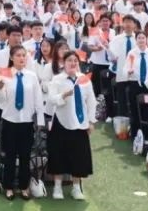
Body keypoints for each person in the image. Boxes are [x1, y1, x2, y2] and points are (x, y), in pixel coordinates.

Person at [0, 46, 45, 200]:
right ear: (11, 58)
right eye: (18, 55)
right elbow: (1, 103)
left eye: (24, 55)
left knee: (25, 156)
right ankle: (8, 187)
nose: (22, 58)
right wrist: (0, 88)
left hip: (26, 122)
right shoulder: (5, 75)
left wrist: (40, 121)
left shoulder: (32, 76)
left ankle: (24, 187)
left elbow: (38, 99)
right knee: (10, 156)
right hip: (10, 121)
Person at [46, 50, 96, 201]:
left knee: (79, 156)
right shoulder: (57, 79)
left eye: (75, 61)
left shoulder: (84, 79)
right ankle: (57, 187)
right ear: (63, 63)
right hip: (62, 121)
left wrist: (91, 121)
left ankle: (76, 187)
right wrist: (64, 95)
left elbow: (91, 101)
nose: (73, 63)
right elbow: (51, 99)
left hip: (80, 123)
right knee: (58, 154)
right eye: (69, 60)